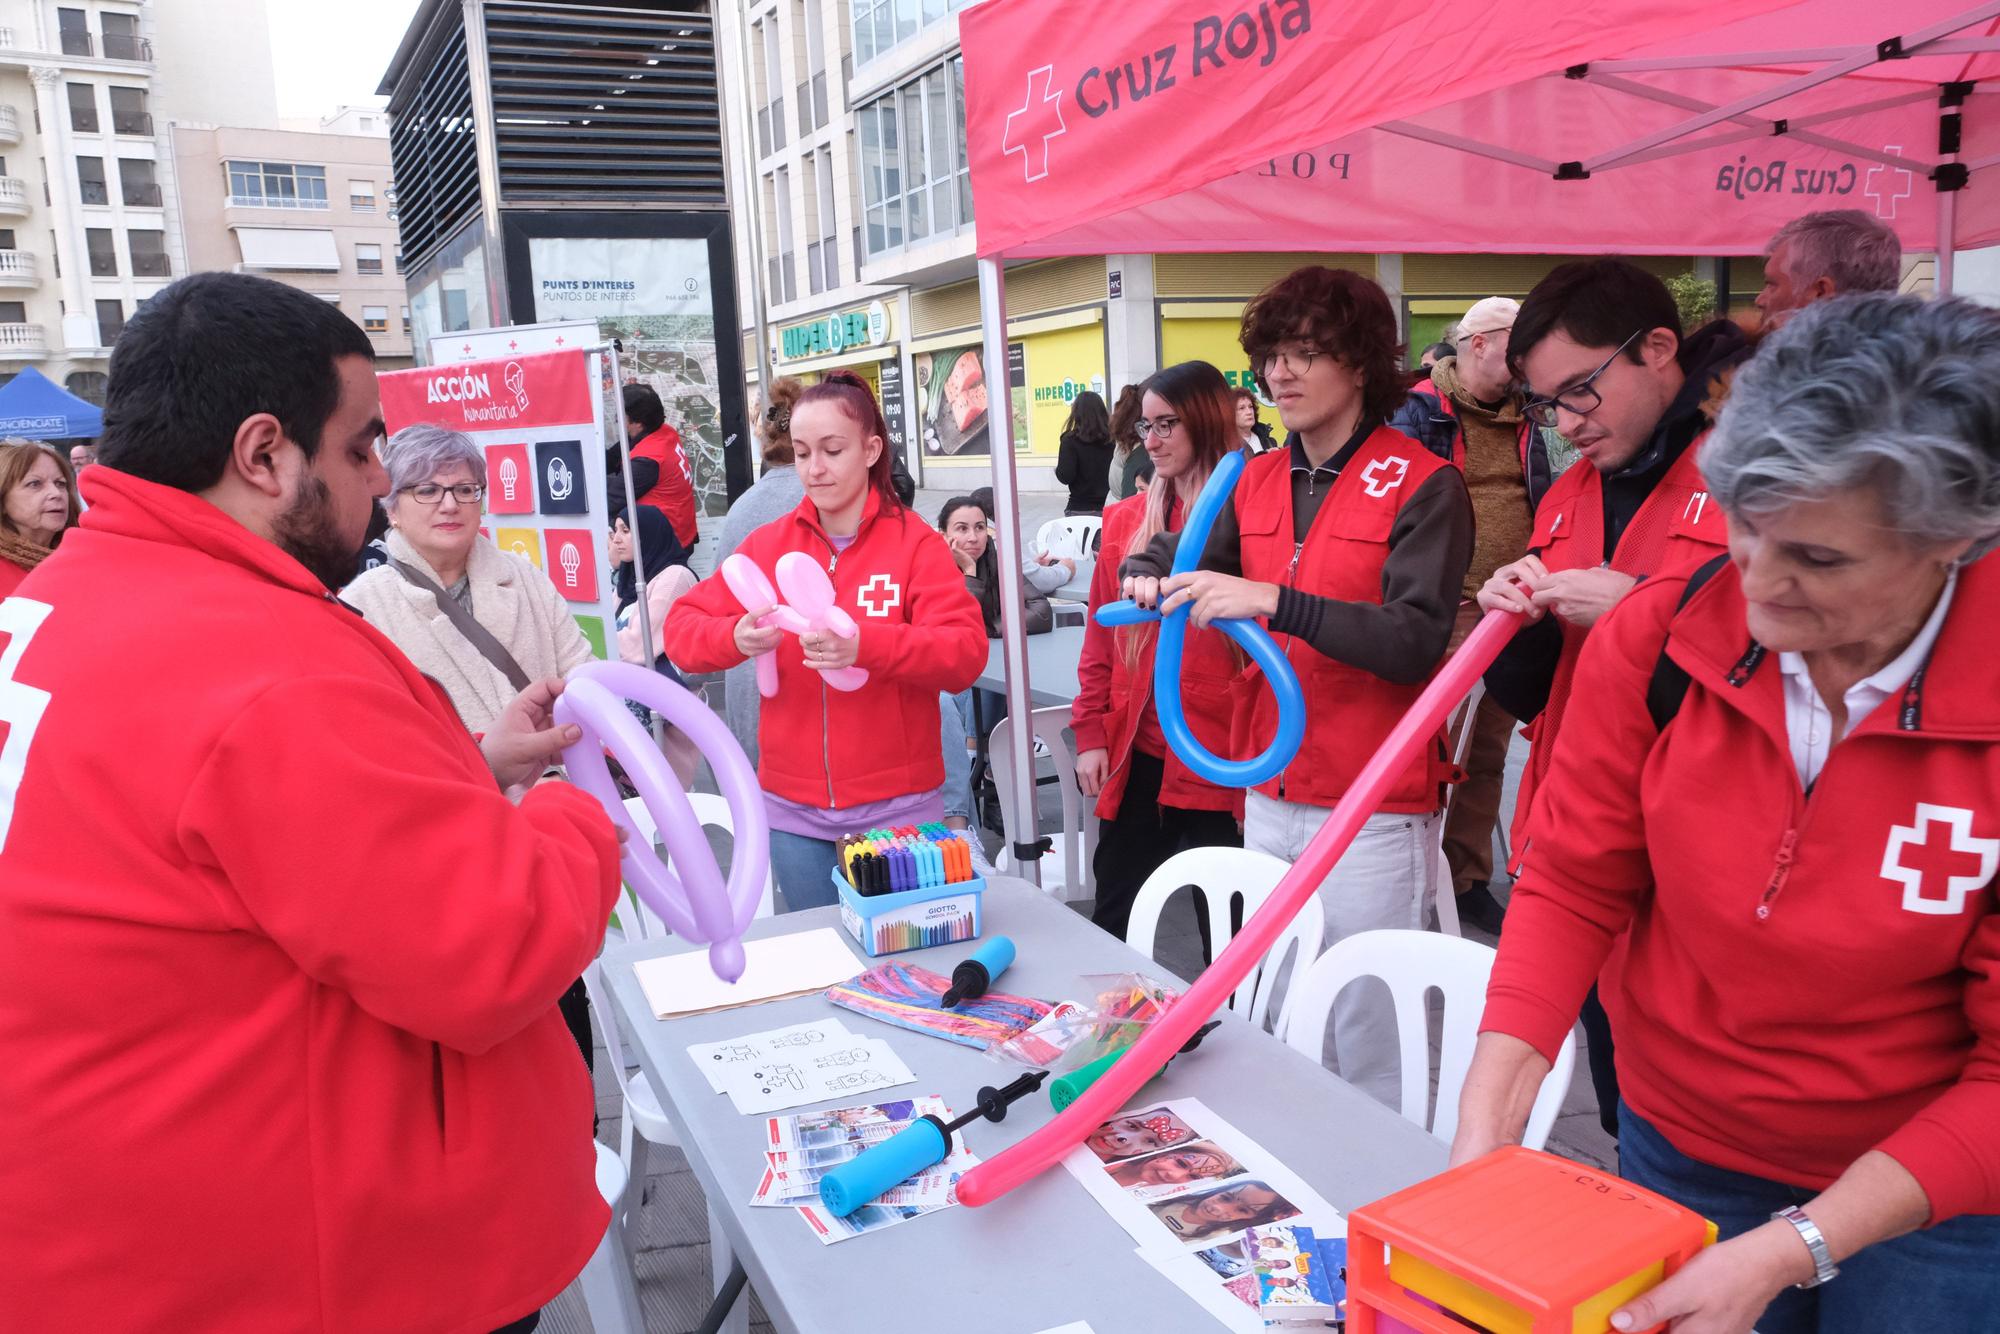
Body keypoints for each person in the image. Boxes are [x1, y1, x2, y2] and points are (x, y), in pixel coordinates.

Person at [0, 272, 620, 1331]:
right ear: (263, 452)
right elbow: (493, 942)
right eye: (361, 445)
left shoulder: (59, 599)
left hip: (115, 1230)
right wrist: (579, 813)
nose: (383, 476)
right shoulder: (257, 656)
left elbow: (226, 837)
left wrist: (473, 765)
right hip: (304, 1264)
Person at [1456, 294, 2000, 1334]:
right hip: (1680, 1142)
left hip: (1935, 1198)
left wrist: (1800, 1242)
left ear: (1959, 539)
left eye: (1820, 558)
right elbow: (1573, 876)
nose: (1757, 584)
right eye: (1742, 521)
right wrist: (1487, 1118)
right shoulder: (1664, 634)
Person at [1122, 267, 1473, 1106]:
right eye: (1272, 354)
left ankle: (1375, 1200)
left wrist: (1279, 603)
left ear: (1360, 364)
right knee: (1272, 1003)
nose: (1281, 373)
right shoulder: (1256, 475)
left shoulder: (1428, 482)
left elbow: (1414, 640)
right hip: (1268, 785)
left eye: (1306, 353)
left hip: (1373, 800)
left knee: (1363, 1021)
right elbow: (1191, 557)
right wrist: (1145, 565)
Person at [1475, 260, 1750, 1135]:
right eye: (1545, 403)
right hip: (1581, 861)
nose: (1564, 423)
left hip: (1701, 882)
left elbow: (1787, 678)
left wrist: (1638, 611)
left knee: (1698, 1134)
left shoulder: (1755, 474)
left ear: (1658, 349)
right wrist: (1511, 621)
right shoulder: (1567, 495)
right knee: (1624, 1118)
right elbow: (1535, 694)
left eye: (1580, 391)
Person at [664, 371, 985, 908]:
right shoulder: (768, 543)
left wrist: (867, 648)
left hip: (900, 813)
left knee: (907, 967)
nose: (814, 469)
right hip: (794, 814)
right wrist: (734, 636)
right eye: (803, 451)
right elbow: (681, 632)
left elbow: (964, 654)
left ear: (870, 449)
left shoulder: (917, 545)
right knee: (828, 969)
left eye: (832, 451)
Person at [1388, 295, 1574, 935]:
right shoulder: (1416, 411)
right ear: (1477, 344)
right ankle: (1410, 876)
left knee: (1486, 751)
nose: (1527, 364)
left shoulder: (1534, 415)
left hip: (1509, 611)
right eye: (1516, 349)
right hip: (1440, 608)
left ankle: (1464, 878)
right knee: (1425, 750)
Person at [1072, 362, 1244, 940]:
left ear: (1206, 419)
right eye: (1146, 427)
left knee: (1227, 938)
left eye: (1168, 423)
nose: (1153, 441)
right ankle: (1119, 1028)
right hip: (1137, 749)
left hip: (1219, 754)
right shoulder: (1124, 519)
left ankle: (1236, 1031)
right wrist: (1090, 735)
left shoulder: (1250, 518)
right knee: (1114, 918)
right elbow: (1100, 636)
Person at [344, 423, 597, 738]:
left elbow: (582, 679)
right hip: (450, 785)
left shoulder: (526, 578)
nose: (450, 505)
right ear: (392, 507)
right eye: (428, 491)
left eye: (465, 489)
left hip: (556, 778)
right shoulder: (364, 607)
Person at [718, 378, 809, 765]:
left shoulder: (741, 508)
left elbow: (717, 602)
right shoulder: (822, 500)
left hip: (747, 680)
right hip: (805, 683)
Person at [1756, 208, 1901, 329]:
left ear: (1821, 292)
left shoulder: (1788, 360)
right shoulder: (1914, 358)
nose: (1760, 300)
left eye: (1772, 285)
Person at [939, 495, 1055, 638]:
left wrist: (989, 629)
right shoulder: (931, 571)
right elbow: (957, 630)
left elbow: (1041, 611)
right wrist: (969, 571)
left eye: (980, 527)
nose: (973, 538)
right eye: (962, 528)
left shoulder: (994, 558)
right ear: (943, 536)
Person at [621, 381, 699, 551]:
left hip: (664, 545)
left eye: (621, 417)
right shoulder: (665, 431)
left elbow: (614, 496)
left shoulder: (648, 460)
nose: (618, 421)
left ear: (638, 423)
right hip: (680, 531)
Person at [0, 439, 80, 597]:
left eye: (60, 483)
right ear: (3, 498)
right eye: (34, 484)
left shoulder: (83, 559)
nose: (56, 494)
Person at [1054, 389, 1115, 514]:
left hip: (1078, 509)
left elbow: (1066, 476)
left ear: (1076, 413)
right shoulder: (1113, 439)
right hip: (1109, 508)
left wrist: (1057, 470)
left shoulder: (1070, 440)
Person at [1108, 383, 1148, 501]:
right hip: (1122, 509)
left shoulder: (1124, 439)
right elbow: (1131, 499)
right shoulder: (1139, 449)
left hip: (1114, 503)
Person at [1232, 386, 1277, 454]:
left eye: (1250, 407)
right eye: (1242, 408)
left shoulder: (1267, 440)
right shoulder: (1227, 445)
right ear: (1230, 413)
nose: (1249, 412)